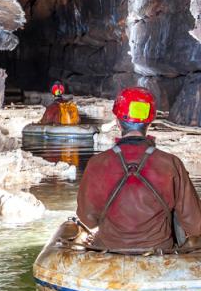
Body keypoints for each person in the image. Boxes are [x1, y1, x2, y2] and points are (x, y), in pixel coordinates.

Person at [76, 86, 201, 252]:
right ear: (149, 122)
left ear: (119, 122)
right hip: (159, 254)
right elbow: (195, 224)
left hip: (109, 252)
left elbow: (88, 219)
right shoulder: (171, 164)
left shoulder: (96, 164)